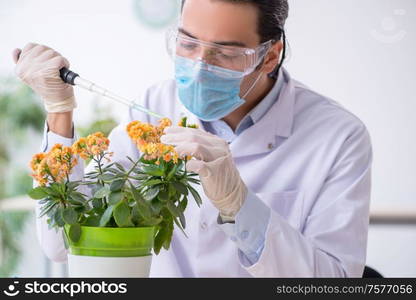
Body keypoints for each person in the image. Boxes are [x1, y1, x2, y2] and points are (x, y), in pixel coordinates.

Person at [13, 0, 372, 277]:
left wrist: (240, 205)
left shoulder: (338, 137)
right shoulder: (155, 106)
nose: (200, 65)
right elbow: (62, 242)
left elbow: (334, 281)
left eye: (227, 53)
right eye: (187, 43)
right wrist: (59, 111)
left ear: (270, 56)